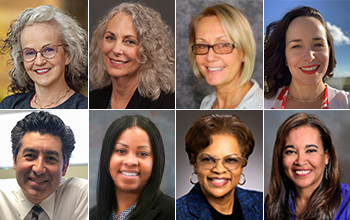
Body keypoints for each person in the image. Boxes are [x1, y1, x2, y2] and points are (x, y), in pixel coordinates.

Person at [0, 111, 88, 219]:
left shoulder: (81, 196)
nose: (39, 169)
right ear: (14, 161)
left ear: (65, 167)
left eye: (50, 158)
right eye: (30, 155)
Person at [0, 5, 88, 109]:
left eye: (48, 50)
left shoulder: (83, 107)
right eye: (29, 53)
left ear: (67, 54)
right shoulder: (9, 105)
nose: (39, 61)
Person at [89, 3, 175, 109]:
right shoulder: (91, 101)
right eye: (110, 38)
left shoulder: (166, 104)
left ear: (148, 50)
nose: (116, 50)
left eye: (130, 41)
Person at [176, 114, 262, 219]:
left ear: (242, 163)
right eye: (208, 159)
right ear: (195, 163)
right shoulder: (177, 213)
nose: (219, 170)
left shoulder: (262, 204)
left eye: (230, 160)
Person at [265, 112, 350, 219]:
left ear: (326, 156)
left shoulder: (347, 204)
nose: (300, 161)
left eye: (310, 150)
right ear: (281, 157)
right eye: (291, 151)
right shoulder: (271, 204)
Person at [89, 115, 175, 220]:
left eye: (142, 153)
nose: (130, 162)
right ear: (107, 157)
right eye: (121, 151)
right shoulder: (90, 216)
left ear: (156, 161)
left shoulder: (173, 213)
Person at [264, 6, 350, 109]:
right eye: (296, 46)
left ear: (329, 51)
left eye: (318, 44)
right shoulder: (263, 104)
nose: (309, 57)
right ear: (285, 56)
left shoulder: (346, 103)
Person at [188, 3, 263, 109]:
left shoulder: (260, 106)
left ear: (244, 52)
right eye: (201, 45)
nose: (210, 57)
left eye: (223, 45)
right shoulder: (207, 103)